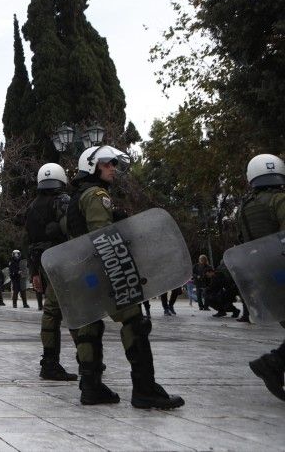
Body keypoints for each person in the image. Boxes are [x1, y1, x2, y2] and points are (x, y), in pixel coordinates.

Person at [66, 145, 183, 409]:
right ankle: (145, 388)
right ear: (93, 165)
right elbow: (102, 238)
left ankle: (91, 388)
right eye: (108, 163)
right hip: (105, 271)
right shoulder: (97, 195)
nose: (113, 168)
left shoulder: (76, 198)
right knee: (134, 323)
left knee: (90, 327)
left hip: (83, 274)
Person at [23, 163, 76, 381]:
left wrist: (34, 271)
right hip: (61, 262)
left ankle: (50, 360)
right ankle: (82, 361)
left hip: (42, 263)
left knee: (51, 312)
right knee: (69, 310)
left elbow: (28, 241)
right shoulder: (62, 201)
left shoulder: (32, 207)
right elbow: (71, 231)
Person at [239, 154, 285, 402]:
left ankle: (273, 364)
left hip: (265, 278)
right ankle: (273, 363)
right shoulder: (280, 200)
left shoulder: (245, 208)